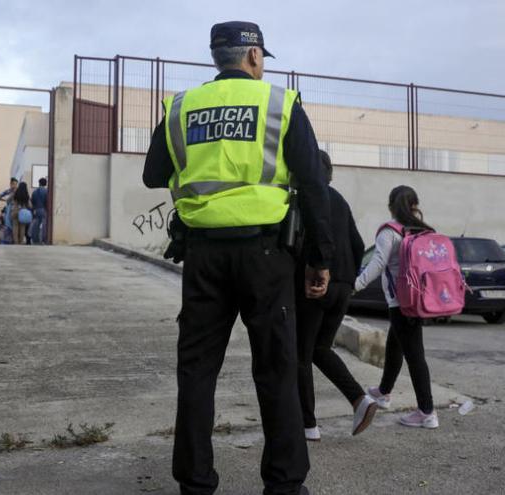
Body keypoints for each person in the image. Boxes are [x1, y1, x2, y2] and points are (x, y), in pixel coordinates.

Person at [142, 21, 334, 495]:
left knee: (197, 370)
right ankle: (284, 485)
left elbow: (153, 174)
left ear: (216, 58)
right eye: (262, 57)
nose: (263, 64)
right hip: (266, 255)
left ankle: (195, 483)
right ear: (252, 57)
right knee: (277, 368)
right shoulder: (279, 103)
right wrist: (321, 257)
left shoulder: (182, 106)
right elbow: (313, 185)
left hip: (204, 256)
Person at [296, 151, 376, 441]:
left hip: (316, 283)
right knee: (320, 349)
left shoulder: (305, 197)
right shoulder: (340, 200)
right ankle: (359, 399)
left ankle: (307, 425)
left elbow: (304, 240)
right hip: (342, 287)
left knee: (300, 355)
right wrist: (348, 279)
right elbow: (358, 243)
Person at [353, 185, 439, 429]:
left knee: (415, 357)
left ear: (391, 205)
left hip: (401, 302)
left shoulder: (389, 231)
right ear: (415, 204)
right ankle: (383, 392)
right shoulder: (424, 231)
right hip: (420, 300)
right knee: (396, 346)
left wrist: (356, 284)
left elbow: (377, 263)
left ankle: (427, 411)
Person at [0, 178, 18, 244]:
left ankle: (14, 240)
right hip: (9, 209)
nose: (15, 185)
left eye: (16, 184)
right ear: (10, 184)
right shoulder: (8, 191)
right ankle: (8, 241)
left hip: (16, 209)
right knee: (8, 225)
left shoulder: (18, 191)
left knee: (15, 225)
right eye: (13, 184)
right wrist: (5, 200)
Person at [30, 177, 49, 245]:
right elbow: (47, 201)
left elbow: (32, 201)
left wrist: (34, 208)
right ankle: (44, 239)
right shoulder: (46, 191)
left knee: (36, 225)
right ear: (45, 183)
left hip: (36, 209)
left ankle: (35, 239)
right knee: (44, 225)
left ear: (39, 183)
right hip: (43, 209)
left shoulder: (35, 191)